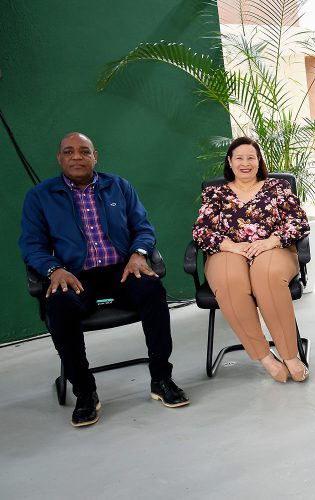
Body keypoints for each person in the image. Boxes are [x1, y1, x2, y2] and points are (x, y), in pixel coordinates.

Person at [19, 132, 189, 427]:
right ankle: (85, 392)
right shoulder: (40, 196)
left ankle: (162, 379)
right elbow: (32, 245)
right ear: (59, 158)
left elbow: (143, 228)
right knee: (59, 305)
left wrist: (138, 254)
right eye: (69, 152)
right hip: (75, 276)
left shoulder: (118, 186)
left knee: (151, 289)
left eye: (84, 151)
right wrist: (53, 269)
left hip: (121, 271)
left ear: (94, 156)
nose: (77, 157)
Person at [192, 137, 310, 383]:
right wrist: (232, 247)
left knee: (266, 275)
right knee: (229, 280)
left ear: (258, 161)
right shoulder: (215, 194)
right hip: (228, 251)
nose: (245, 163)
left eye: (251, 158)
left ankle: (290, 356)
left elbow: (298, 222)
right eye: (239, 158)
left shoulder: (277, 187)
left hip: (273, 248)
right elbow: (201, 232)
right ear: (230, 162)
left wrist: (270, 241)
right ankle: (265, 357)